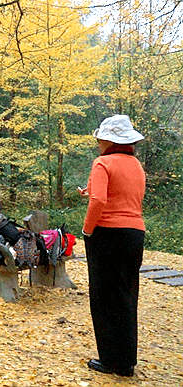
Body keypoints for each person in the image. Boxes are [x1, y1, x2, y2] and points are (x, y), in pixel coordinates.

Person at [80, 115, 146, 377]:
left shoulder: (102, 162)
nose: (98, 143)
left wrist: (87, 229)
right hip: (134, 234)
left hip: (107, 234)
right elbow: (124, 195)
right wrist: (89, 191)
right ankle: (126, 361)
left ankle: (109, 359)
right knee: (126, 296)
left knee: (104, 297)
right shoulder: (136, 165)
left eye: (100, 138)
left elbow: (99, 201)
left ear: (108, 140)